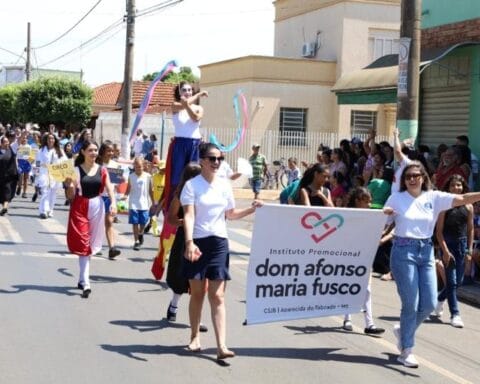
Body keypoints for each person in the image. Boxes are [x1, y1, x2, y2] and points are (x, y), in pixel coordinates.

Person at [383, 160, 480, 368]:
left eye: (416, 175)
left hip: (425, 251)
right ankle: (406, 349)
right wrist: (386, 216)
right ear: (403, 180)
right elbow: (381, 224)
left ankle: (403, 331)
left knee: (427, 304)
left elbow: (462, 198)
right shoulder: (396, 198)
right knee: (410, 303)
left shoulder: (434, 197)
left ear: (423, 177)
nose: (412, 179)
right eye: (408, 176)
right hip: (403, 251)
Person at [181, 143, 262, 359]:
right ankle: (194, 336)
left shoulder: (225, 185)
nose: (217, 162)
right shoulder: (191, 186)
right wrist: (189, 242)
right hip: (198, 241)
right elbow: (188, 215)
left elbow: (231, 214)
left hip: (219, 243)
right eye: (212, 158)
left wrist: (252, 209)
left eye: (220, 159)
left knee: (217, 295)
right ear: (202, 160)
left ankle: (221, 346)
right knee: (197, 293)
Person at [65, 140, 117, 298]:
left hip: (97, 206)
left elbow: (109, 188)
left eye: (95, 150)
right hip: (80, 206)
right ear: (83, 152)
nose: (94, 153)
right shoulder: (75, 170)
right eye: (90, 150)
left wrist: (113, 203)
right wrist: (69, 187)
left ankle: (81, 278)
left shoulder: (102, 170)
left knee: (92, 244)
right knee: (83, 243)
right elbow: (70, 197)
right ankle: (86, 283)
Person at [165, 162, 207, 333]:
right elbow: (171, 218)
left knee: (200, 281)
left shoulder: (206, 193)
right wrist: (186, 221)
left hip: (203, 237)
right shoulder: (180, 196)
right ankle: (174, 304)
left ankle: (197, 319)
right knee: (181, 275)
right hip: (185, 239)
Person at [342, 187, 385, 336]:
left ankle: (369, 324)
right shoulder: (348, 215)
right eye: (366, 202)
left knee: (366, 290)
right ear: (357, 201)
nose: (369, 204)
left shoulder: (372, 216)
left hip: (365, 257)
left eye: (370, 201)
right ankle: (347, 318)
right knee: (349, 287)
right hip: (349, 257)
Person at [432, 174, 473, 328]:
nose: (457, 188)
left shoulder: (468, 206)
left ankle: (439, 300)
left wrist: (469, 249)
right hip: (448, 246)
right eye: (453, 185)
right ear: (448, 188)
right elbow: (439, 232)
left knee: (458, 282)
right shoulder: (444, 206)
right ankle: (455, 314)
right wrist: (445, 250)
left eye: (459, 185)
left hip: (462, 247)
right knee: (452, 281)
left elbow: (470, 229)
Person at [163, 82, 208, 209]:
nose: (187, 92)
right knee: (177, 177)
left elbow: (195, 118)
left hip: (195, 144)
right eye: (184, 90)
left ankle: (194, 203)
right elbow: (181, 106)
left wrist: (187, 104)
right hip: (180, 144)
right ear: (179, 92)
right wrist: (198, 95)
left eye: (190, 90)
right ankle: (175, 206)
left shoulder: (199, 108)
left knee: (195, 174)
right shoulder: (175, 105)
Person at [97, 141, 122, 259]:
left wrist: (120, 180)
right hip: (97, 196)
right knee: (96, 223)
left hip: (109, 197)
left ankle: (112, 248)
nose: (111, 153)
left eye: (112, 151)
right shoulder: (97, 164)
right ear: (103, 151)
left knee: (109, 222)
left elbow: (117, 182)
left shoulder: (115, 165)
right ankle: (95, 246)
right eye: (108, 150)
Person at [124, 157, 153, 250]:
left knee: (143, 222)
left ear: (143, 166)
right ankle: (136, 241)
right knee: (135, 222)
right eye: (136, 167)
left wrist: (153, 201)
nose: (138, 168)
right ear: (134, 166)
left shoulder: (148, 176)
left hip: (144, 203)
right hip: (133, 203)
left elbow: (150, 190)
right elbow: (128, 188)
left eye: (140, 167)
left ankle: (141, 233)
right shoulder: (131, 176)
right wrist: (125, 195)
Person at [36, 133, 65, 219]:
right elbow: (37, 163)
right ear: (46, 140)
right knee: (45, 192)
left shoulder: (59, 151)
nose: (51, 140)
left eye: (52, 139)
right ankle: (43, 211)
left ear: (55, 140)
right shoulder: (41, 150)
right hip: (44, 172)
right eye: (49, 139)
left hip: (55, 173)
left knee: (53, 193)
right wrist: (36, 174)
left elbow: (64, 162)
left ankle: (50, 210)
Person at [0, 135, 19, 215]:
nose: (7, 143)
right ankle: (4, 206)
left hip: (10, 176)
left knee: (8, 191)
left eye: (7, 142)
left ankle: (5, 207)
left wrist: (26, 132)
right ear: (1, 144)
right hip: (1, 176)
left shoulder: (12, 149)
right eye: (5, 142)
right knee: (1, 193)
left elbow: (19, 140)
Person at [16, 133, 32, 198]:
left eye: (26, 138)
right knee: (20, 176)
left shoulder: (29, 146)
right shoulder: (18, 146)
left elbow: (31, 156)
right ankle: (19, 186)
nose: (24, 139)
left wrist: (31, 161)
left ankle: (24, 192)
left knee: (26, 178)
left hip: (27, 162)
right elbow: (16, 155)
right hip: (20, 161)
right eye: (23, 138)